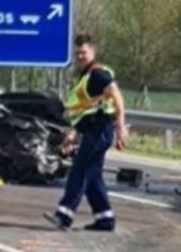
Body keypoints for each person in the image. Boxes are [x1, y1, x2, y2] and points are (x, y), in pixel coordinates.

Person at [44, 34, 129, 232]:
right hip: (92, 130)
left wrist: (121, 125)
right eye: (77, 53)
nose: (80, 56)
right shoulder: (86, 76)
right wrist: (73, 134)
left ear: (93, 52)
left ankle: (64, 215)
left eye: (84, 52)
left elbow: (116, 95)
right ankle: (105, 218)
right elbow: (86, 110)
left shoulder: (98, 74)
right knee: (93, 175)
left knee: (79, 172)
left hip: (100, 130)